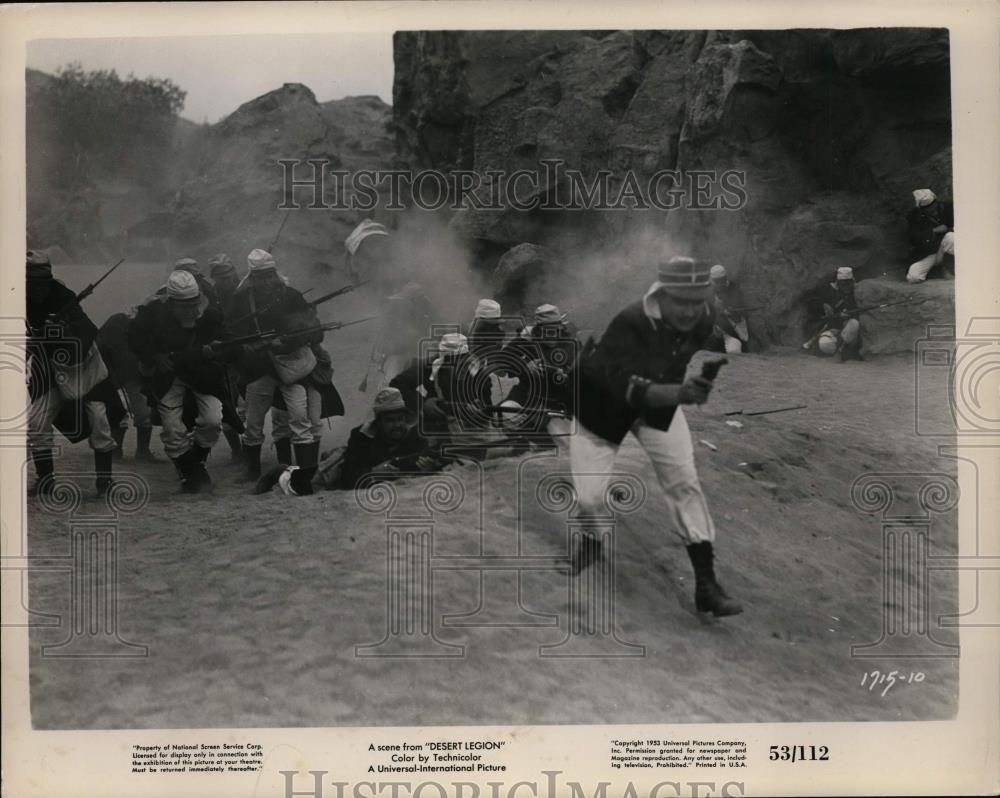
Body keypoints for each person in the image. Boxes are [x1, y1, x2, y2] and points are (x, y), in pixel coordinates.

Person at [571, 255, 742, 618]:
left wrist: (697, 380)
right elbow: (628, 390)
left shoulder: (706, 315)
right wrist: (682, 393)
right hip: (602, 403)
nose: (689, 311)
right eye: (681, 301)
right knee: (589, 495)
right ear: (661, 295)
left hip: (660, 400)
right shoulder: (629, 324)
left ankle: (706, 583)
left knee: (684, 481)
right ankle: (589, 539)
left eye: (697, 301)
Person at [26, 251, 123, 497]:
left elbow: (87, 332)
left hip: (84, 367)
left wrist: (60, 332)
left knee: (99, 423)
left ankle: (105, 482)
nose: (36, 290)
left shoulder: (64, 298)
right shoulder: (15, 298)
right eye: (30, 284)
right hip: (48, 368)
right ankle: (46, 481)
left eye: (40, 284)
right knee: (37, 423)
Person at [129, 270, 237, 493]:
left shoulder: (211, 314)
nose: (191, 310)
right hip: (168, 378)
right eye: (184, 306)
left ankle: (196, 465)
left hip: (202, 375)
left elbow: (230, 344)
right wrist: (155, 356)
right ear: (171, 303)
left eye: (193, 303)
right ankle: (191, 476)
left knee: (212, 421)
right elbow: (134, 337)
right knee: (172, 429)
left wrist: (214, 352)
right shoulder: (151, 312)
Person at [228, 249, 324, 483]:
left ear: (275, 273)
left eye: (270, 275)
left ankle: (304, 471)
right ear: (252, 277)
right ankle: (252, 472)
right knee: (253, 423)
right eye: (260, 276)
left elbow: (314, 331)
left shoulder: (291, 296)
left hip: (291, 367)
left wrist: (289, 342)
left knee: (300, 418)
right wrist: (253, 345)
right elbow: (232, 332)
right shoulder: (241, 300)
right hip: (259, 368)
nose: (266, 281)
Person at [498, 303, 577, 448]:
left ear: (561, 329)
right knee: (505, 412)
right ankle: (522, 445)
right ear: (539, 330)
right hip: (527, 399)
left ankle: (542, 443)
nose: (552, 335)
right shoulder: (526, 341)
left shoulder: (572, 345)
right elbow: (501, 360)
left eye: (555, 331)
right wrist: (525, 366)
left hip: (559, 405)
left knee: (564, 445)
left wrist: (568, 377)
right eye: (547, 331)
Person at [97, 310, 158, 462]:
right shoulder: (117, 323)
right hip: (116, 375)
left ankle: (143, 451)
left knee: (144, 412)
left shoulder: (154, 326)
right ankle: (116, 450)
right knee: (119, 411)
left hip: (135, 376)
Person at [207, 253, 245, 462]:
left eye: (228, 273)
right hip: (225, 356)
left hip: (248, 350)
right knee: (228, 403)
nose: (226, 279)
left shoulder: (246, 290)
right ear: (214, 277)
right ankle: (237, 450)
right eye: (220, 276)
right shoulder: (211, 297)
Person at [805, 266, 864, 362]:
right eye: (843, 284)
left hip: (847, 330)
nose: (846, 287)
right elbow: (810, 300)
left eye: (848, 283)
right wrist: (823, 305)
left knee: (854, 324)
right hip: (830, 328)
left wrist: (846, 316)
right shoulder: (827, 290)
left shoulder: (856, 292)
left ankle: (841, 352)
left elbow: (858, 312)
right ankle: (836, 351)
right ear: (838, 282)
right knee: (825, 344)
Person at [906, 188, 955, 284]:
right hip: (929, 253)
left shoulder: (947, 208)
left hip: (945, 249)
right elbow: (913, 238)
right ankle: (934, 271)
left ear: (935, 201)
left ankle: (947, 268)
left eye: (933, 205)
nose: (932, 208)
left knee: (952, 237)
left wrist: (947, 229)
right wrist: (933, 231)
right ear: (921, 208)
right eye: (927, 208)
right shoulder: (915, 216)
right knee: (913, 277)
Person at [708, 264, 751, 354]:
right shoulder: (710, 291)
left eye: (721, 280)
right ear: (712, 281)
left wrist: (728, 310)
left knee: (734, 350)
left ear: (725, 278)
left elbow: (739, 305)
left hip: (734, 327)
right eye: (716, 281)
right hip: (717, 327)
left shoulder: (734, 288)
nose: (719, 284)